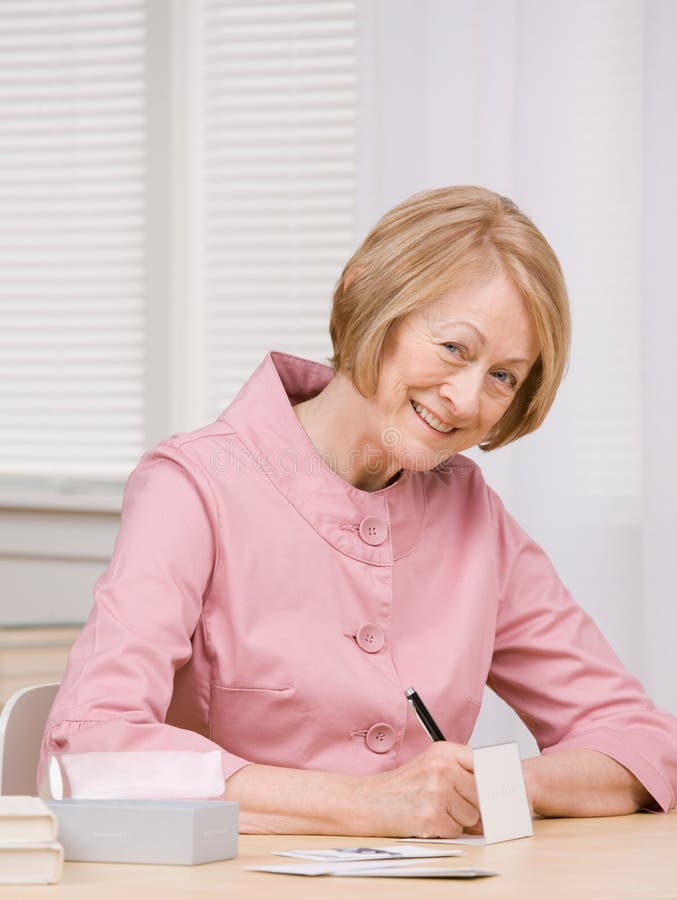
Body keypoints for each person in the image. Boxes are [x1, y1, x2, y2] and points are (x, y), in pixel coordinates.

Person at [40, 186, 677, 837]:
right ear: (368, 293)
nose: (464, 399)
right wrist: (362, 803)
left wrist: (490, 786)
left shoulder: (471, 515)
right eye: (455, 348)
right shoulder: (194, 487)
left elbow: (641, 740)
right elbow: (90, 749)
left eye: (503, 377)